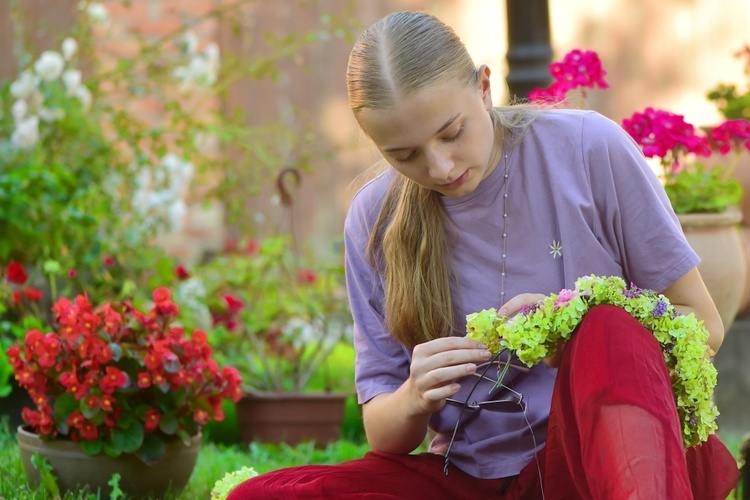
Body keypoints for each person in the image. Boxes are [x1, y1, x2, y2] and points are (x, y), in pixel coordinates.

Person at [228, 11, 739, 499]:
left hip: (601, 464)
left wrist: (577, 332)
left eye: (452, 133)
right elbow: (384, 435)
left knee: (608, 325)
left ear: (484, 86)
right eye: (403, 155)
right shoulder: (374, 218)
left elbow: (704, 326)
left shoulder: (588, 149)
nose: (441, 166)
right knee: (262, 495)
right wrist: (413, 395)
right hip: (468, 478)